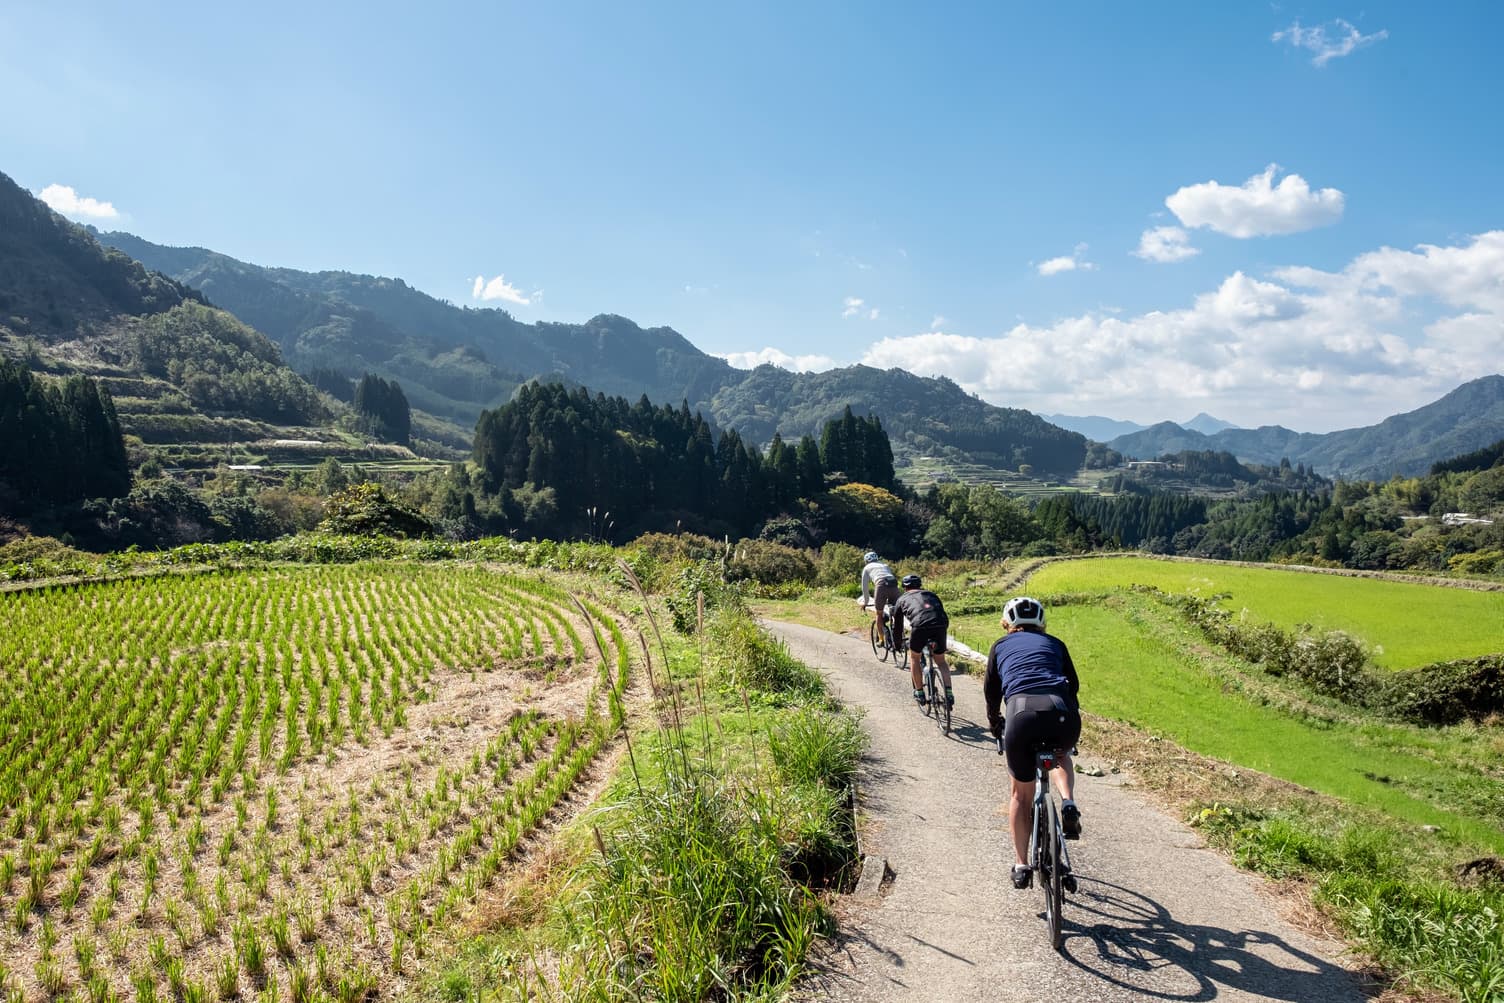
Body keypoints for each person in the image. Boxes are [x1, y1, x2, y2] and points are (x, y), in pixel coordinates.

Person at [984, 596, 1082, 890]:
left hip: (1021, 714)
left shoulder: (1000, 646)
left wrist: (995, 724)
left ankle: (1022, 864)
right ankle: (1068, 802)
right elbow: (1073, 686)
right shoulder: (1055, 643)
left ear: (1007, 623)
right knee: (1061, 754)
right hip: (1061, 712)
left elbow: (992, 692)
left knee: (1020, 796)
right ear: (1041, 623)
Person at [892, 573, 953, 709]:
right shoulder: (931, 594)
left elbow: (897, 626)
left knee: (914, 658)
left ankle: (919, 692)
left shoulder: (902, 599)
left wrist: (897, 644)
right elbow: (941, 612)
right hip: (941, 624)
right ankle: (949, 693)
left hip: (920, 625)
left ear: (905, 587)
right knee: (941, 660)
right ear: (919, 586)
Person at [859, 551, 900, 647]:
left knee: (879, 613)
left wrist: (865, 602)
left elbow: (865, 588)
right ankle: (899, 635)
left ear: (866, 561)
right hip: (894, 585)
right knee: (897, 611)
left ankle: (881, 639)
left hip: (881, 585)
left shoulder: (866, 568)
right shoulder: (884, 565)